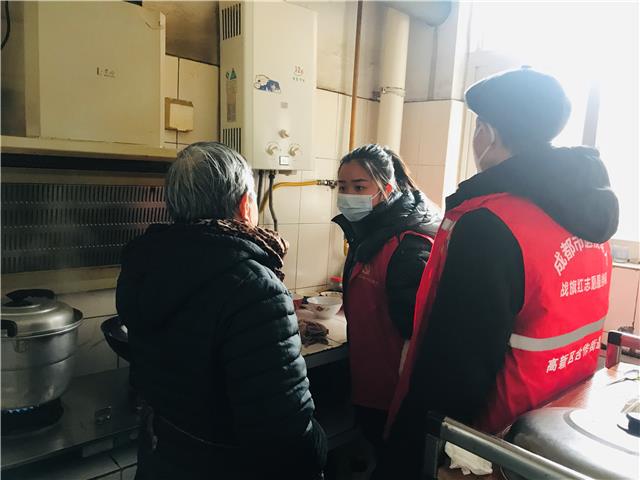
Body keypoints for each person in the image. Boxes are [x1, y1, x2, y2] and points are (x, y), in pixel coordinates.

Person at [376, 68, 619, 478]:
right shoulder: (587, 217)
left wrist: (412, 448)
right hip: (550, 430)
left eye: (478, 127)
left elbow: (457, 366)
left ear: (487, 132)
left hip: (487, 445)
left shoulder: (490, 223)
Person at [116, 142, 327, 480]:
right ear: (245, 205)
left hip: (163, 455)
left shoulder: (144, 263)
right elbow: (285, 432)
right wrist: (319, 449)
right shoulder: (255, 287)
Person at [332, 144, 441, 461]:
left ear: (388, 188)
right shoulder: (370, 233)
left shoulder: (408, 246)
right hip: (369, 380)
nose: (348, 195)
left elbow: (416, 333)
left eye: (359, 187)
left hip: (393, 392)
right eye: (342, 187)